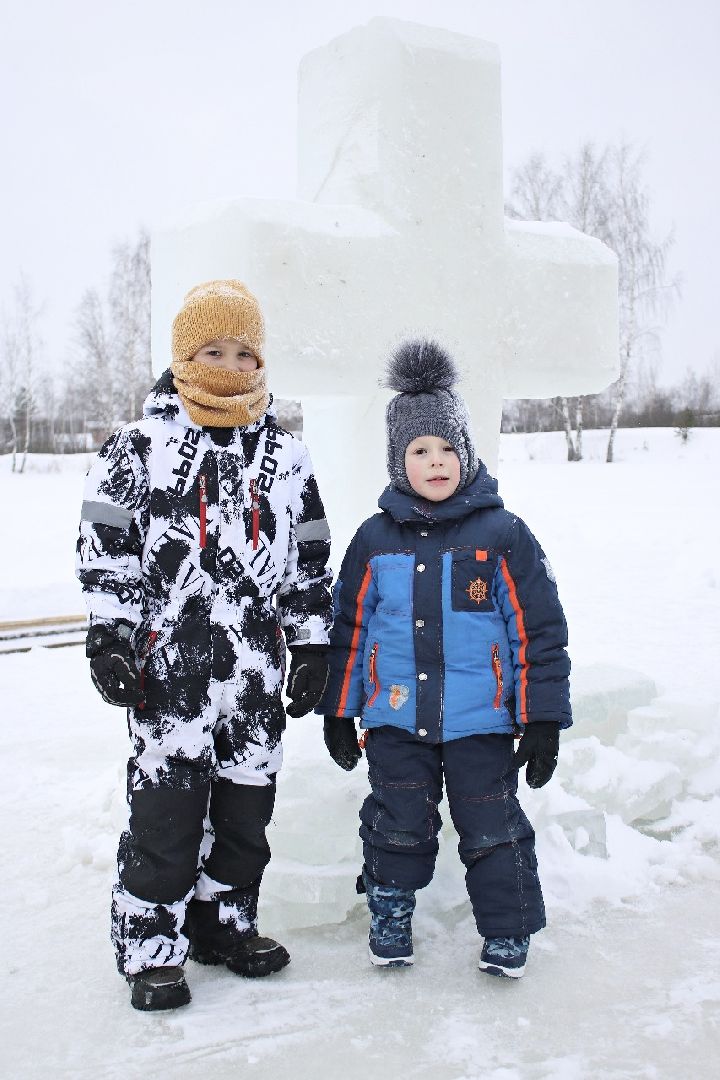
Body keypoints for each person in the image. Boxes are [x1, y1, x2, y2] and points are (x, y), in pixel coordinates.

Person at [77, 280, 332, 1011]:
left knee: (247, 813)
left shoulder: (287, 456)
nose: (229, 363)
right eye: (212, 350)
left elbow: (308, 556)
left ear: (260, 361)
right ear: (184, 356)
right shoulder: (137, 448)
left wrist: (311, 645)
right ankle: (151, 946)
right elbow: (108, 552)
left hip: (254, 674)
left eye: (243, 351)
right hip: (170, 675)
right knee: (167, 816)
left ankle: (223, 922)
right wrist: (110, 638)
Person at [321, 338, 571, 979]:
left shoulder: (503, 535)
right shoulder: (374, 540)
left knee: (493, 827)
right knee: (396, 821)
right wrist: (338, 710)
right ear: (398, 462)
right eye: (419, 450)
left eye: (447, 448)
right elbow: (349, 629)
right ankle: (390, 911)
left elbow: (538, 631)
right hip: (397, 720)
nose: (436, 462)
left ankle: (509, 930)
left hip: (480, 722)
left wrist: (541, 717)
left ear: (467, 451)